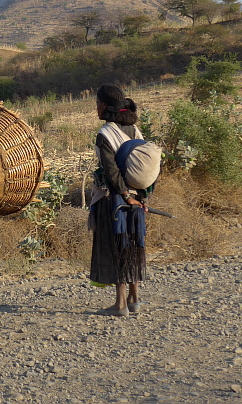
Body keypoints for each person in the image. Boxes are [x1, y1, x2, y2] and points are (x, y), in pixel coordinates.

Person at [89, 84, 148, 317]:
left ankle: (120, 303)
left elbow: (111, 171)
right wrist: (140, 198)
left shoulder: (105, 134)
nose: (96, 107)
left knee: (117, 246)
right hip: (138, 199)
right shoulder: (135, 131)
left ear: (105, 106)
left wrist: (124, 195)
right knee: (133, 245)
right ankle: (135, 299)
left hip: (114, 200)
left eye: (97, 103)